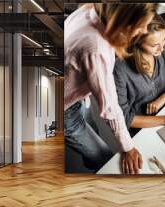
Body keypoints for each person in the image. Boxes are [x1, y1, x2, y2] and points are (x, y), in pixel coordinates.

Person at [64, 3, 157, 174]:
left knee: (94, 132)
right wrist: (128, 149)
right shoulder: (96, 48)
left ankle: (89, 159)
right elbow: (109, 108)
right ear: (123, 19)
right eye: (141, 25)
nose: (144, 31)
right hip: (64, 109)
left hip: (77, 98)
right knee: (105, 160)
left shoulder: (91, 10)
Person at [113, 14, 165, 136]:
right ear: (136, 42)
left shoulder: (163, 50)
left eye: (164, 40)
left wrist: (161, 100)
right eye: (154, 45)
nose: (162, 48)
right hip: (143, 128)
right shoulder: (119, 69)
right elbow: (123, 119)